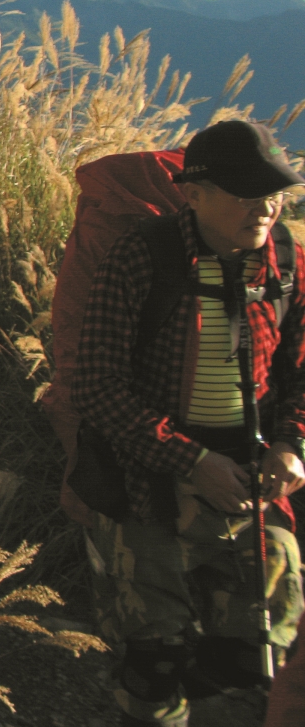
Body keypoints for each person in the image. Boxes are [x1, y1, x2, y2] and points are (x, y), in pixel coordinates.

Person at [72, 120, 305, 726]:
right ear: (193, 193)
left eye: (275, 191)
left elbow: (301, 372)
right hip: (146, 479)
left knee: (253, 654)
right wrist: (194, 464)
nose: (266, 206)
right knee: (156, 658)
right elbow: (97, 386)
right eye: (246, 192)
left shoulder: (286, 262)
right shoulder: (143, 257)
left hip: (250, 484)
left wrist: (290, 444)